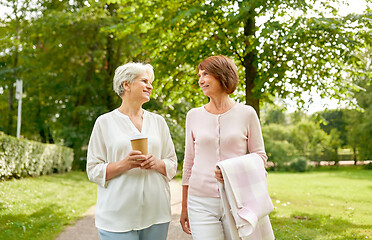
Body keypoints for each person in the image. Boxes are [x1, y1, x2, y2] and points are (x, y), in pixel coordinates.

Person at [180, 55, 273, 239]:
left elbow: (260, 156)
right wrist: (184, 206)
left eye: (205, 74)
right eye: (199, 75)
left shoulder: (247, 113)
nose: (201, 80)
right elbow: (189, 162)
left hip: (238, 200)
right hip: (200, 201)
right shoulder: (193, 115)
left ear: (222, 75)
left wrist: (230, 170)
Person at [87, 62, 177, 240]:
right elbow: (93, 170)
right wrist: (124, 164)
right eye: (144, 81)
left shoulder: (158, 122)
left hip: (156, 214)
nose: (150, 86)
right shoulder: (104, 122)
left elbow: (172, 163)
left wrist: (158, 163)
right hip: (117, 217)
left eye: (150, 82)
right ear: (126, 84)